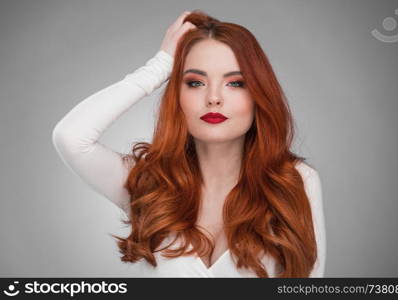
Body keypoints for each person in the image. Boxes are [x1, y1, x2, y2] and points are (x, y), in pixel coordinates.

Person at [52, 10, 326, 278]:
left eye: (236, 83)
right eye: (195, 82)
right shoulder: (149, 185)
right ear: (176, 96)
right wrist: (157, 67)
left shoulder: (294, 181)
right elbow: (71, 137)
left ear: (258, 95)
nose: (214, 98)